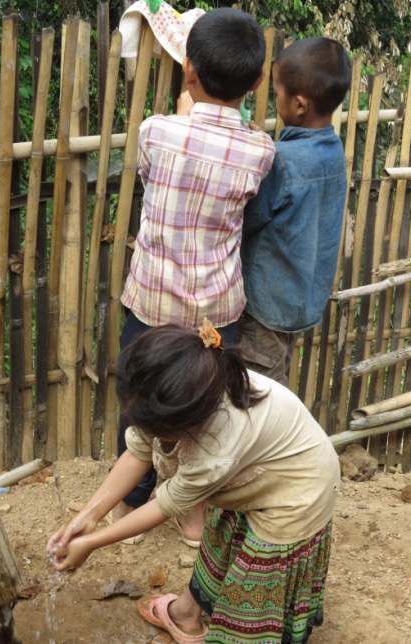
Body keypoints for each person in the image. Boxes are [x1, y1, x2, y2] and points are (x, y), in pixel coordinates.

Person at [47, 323, 340, 643]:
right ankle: (186, 615)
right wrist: (87, 516)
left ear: (186, 424)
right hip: (261, 473)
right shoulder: (185, 390)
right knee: (222, 542)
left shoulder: (216, 447)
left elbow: (165, 505)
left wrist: (91, 543)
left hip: (297, 495)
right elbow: (137, 453)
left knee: (254, 582)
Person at [114, 7, 275, 545]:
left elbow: (151, 172)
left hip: (152, 305)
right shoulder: (261, 150)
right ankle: (192, 515)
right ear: (255, 83)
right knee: (208, 408)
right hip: (216, 310)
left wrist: (185, 116)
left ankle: (130, 506)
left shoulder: (157, 132)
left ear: (187, 71)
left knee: (140, 401)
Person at [238, 37, 352, 387]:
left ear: (300, 104)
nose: (274, 101)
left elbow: (247, 218)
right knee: (276, 376)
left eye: (276, 93)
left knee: (260, 397)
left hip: (264, 308)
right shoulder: (333, 152)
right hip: (297, 303)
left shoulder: (282, 163)